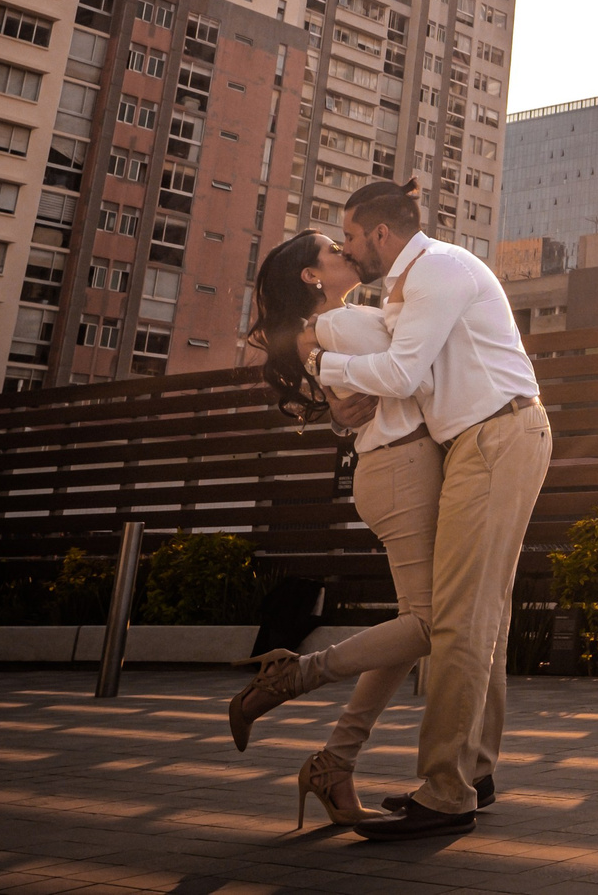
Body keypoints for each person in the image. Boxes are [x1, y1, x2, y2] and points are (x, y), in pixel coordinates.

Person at [303, 177, 548, 843]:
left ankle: (446, 792)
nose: (349, 250)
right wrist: (348, 386)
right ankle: (475, 768)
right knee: (480, 611)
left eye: (351, 236)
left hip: (496, 435)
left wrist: (326, 366)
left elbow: (403, 374)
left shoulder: (438, 270)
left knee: (459, 616)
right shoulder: (413, 287)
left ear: (381, 233)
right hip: (484, 437)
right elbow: (398, 372)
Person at [227, 230, 446, 828]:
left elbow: (359, 396)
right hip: (402, 470)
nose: (345, 252)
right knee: (429, 625)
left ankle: (335, 762)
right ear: (310, 276)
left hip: (394, 468)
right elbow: (420, 362)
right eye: (332, 248)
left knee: (413, 627)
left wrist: (333, 417)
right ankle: (293, 675)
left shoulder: (327, 329)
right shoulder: (344, 325)